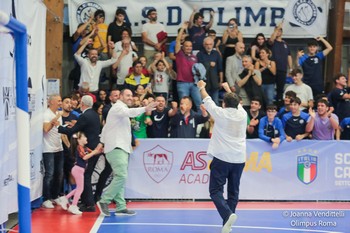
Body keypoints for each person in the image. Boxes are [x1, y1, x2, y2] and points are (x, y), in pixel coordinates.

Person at [97, 89, 157, 216]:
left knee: (120, 177)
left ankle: (120, 206)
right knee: (121, 176)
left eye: (131, 95)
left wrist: (101, 142)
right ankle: (104, 201)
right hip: (116, 148)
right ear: (121, 96)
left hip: (121, 148)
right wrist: (145, 107)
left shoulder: (119, 110)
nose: (130, 97)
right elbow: (130, 112)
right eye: (127, 95)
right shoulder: (118, 108)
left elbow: (106, 128)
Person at [197, 80, 247, 233]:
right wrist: (227, 88)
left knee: (215, 191)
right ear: (237, 103)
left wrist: (201, 87)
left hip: (222, 158)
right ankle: (228, 224)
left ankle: (228, 214)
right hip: (239, 159)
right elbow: (235, 101)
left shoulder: (220, 113)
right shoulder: (243, 114)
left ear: (224, 104)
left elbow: (207, 99)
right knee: (233, 192)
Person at [58, 95, 106, 212]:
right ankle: (86, 202)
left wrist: (59, 128)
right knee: (86, 176)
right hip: (95, 148)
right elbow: (86, 128)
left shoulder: (84, 116)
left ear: (82, 104)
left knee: (86, 177)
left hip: (88, 150)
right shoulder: (94, 114)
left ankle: (89, 204)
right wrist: (77, 124)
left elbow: (72, 131)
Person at [57, 132, 101, 215]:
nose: (86, 138)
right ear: (79, 140)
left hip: (80, 170)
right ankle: (73, 206)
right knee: (80, 189)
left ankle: (65, 199)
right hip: (78, 170)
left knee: (79, 188)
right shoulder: (79, 147)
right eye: (84, 137)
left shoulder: (85, 148)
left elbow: (94, 153)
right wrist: (95, 151)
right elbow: (85, 157)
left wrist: (99, 149)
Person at [42, 94, 64, 209]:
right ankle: (46, 198)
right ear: (51, 102)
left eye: (61, 101)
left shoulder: (58, 114)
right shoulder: (46, 114)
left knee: (59, 174)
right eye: (59, 101)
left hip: (59, 148)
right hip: (48, 149)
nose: (60, 103)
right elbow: (45, 129)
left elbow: (60, 131)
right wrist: (54, 120)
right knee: (49, 174)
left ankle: (55, 196)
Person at [175, 22, 201, 111]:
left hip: (194, 84)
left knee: (199, 103)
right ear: (183, 47)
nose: (189, 48)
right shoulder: (179, 54)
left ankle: (201, 124)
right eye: (186, 46)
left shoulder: (195, 57)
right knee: (184, 105)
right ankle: (183, 123)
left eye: (190, 46)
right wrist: (182, 28)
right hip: (182, 83)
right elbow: (178, 41)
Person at [268, 20, 293, 105]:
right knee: (270, 89)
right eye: (276, 30)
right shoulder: (272, 42)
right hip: (273, 69)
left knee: (280, 90)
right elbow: (271, 39)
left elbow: (289, 56)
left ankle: (279, 106)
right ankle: (270, 106)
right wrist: (277, 27)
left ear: (282, 32)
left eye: (279, 30)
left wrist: (291, 68)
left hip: (282, 69)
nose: (278, 32)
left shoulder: (285, 43)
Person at [197, 36, 223, 105]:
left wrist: (221, 81)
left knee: (215, 102)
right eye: (207, 44)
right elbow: (198, 67)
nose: (209, 46)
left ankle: (215, 116)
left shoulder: (216, 54)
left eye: (210, 44)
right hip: (204, 83)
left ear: (213, 44)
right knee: (204, 103)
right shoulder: (200, 54)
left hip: (215, 82)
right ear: (204, 45)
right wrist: (208, 64)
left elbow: (220, 68)